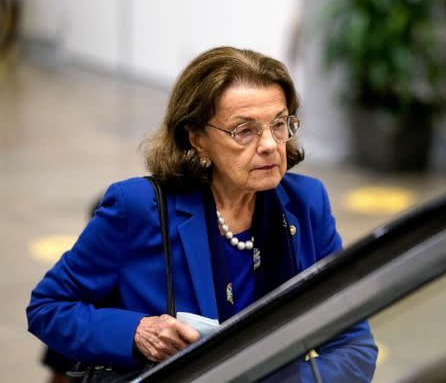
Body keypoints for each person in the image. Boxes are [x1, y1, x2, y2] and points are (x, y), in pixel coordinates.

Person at [27, 46, 378, 381]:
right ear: (196, 137)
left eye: (279, 124)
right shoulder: (136, 207)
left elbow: (353, 344)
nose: (271, 144)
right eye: (245, 130)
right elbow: (48, 307)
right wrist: (136, 333)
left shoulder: (306, 203)